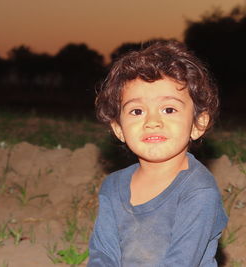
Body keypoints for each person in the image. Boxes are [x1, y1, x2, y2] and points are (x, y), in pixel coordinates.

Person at [88, 39, 228, 267]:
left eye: (169, 109)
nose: (152, 121)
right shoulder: (112, 187)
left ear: (198, 124)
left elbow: (182, 261)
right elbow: (103, 254)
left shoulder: (198, 192)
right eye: (137, 111)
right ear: (118, 129)